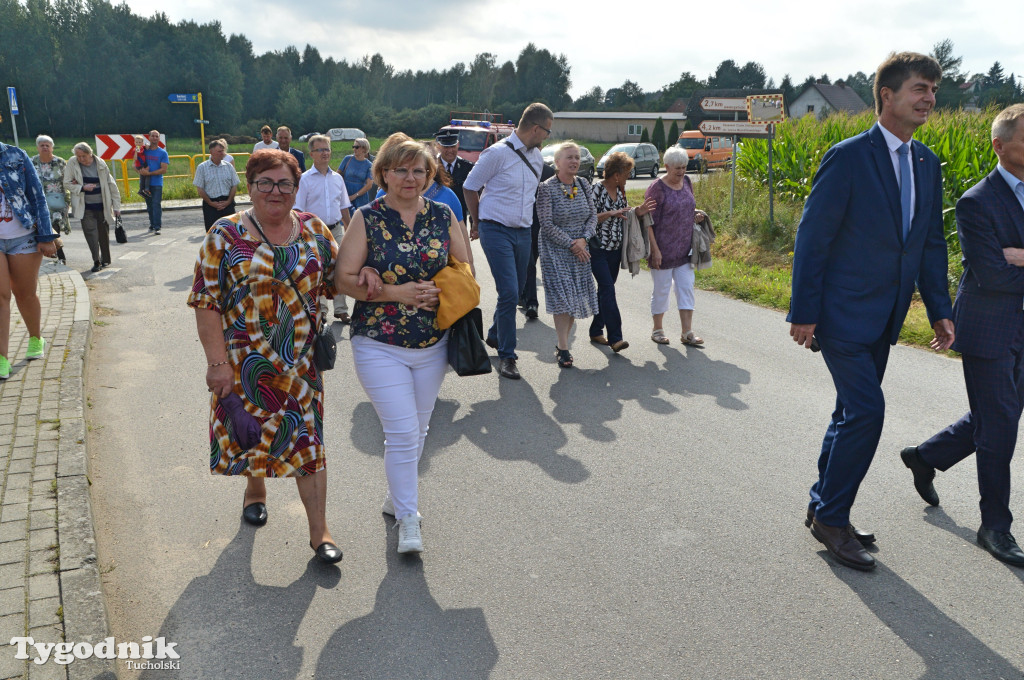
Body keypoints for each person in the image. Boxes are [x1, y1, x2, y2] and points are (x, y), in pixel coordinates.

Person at [788, 52, 955, 572]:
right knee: (866, 411)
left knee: (848, 413)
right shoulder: (850, 156)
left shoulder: (927, 163)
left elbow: (929, 245)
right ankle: (833, 519)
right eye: (920, 89)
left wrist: (939, 310)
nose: (929, 99)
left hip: (885, 317)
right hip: (839, 315)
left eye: (932, 91)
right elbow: (813, 238)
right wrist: (804, 311)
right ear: (888, 95)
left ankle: (822, 504)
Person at [187, 149, 347, 565]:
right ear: (250, 186)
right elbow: (206, 302)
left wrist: (369, 277)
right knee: (253, 433)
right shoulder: (224, 234)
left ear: (297, 188)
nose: (275, 192)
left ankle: (320, 532)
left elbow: (338, 277)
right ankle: (254, 490)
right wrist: (217, 363)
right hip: (243, 361)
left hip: (300, 363)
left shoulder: (313, 230)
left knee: (308, 442)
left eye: (285, 184)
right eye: (265, 183)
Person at [334, 133, 472, 555]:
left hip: (433, 342)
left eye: (419, 170)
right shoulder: (366, 217)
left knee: (421, 427)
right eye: (401, 170)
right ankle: (409, 521)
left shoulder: (444, 213)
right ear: (384, 174)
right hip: (379, 341)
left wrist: (440, 288)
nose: (410, 178)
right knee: (402, 431)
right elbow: (340, 280)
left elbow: (466, 269)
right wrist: (394, 292)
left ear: (430, 175)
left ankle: (397, 499)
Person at [900, 104, 1024, 568]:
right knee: (1001, 427)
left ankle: (925, 455)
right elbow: (992, 275)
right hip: (989, 329)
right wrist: (1007, 260)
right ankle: (995, 526)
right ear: (1000, 145)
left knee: (998, 414)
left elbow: (1009, 266)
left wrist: (1021, 256)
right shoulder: (977, 201)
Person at [463, 102, 552, 380]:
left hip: (523, 231)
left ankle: (493, 334)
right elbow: (469, 186)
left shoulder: (536, 158)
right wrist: (477, 222)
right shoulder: (496, 153)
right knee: (511, 293)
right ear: (536, 128)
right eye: (547, 131)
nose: (548, 136)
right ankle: (507, 356)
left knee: (515, 289)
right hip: (495, 229)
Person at [536, 141, 599, 368]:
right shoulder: (546, 188)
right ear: (557, 162)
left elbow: (593, 216)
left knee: (574, 298)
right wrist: (572, 243)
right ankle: (563, 347)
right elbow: (546, 224)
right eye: (569, 157)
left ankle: (563, 345)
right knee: (563, 298)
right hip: (556, 249)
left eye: (577, 157)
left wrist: (584, 240)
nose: (574, 161)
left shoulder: (583, 184)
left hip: (581, 250)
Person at [0, 141, 59, 380]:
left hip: (22, 236)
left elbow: (37, 196)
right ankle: (2, 358)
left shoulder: (15, 154)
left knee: (24, 293)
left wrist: (46, 236)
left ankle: (36, 338)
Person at [589, 151, 656, 352]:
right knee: (608, 289)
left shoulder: (620, 192)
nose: (628, 176)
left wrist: (638, 211)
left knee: (605, 291)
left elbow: (624, 213)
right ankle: (615, 337)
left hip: (615, 251)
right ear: (616, 174)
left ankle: (595, 330)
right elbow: (589, 218)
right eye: (627, 172)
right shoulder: (596, 190)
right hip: (597, 249)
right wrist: (610, 213)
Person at [645, 146, 708, 347]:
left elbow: (687, 207)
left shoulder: (687, 182)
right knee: (662, 290)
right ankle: (657, 330)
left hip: (685, 249)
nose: (681, 172)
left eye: (683, 167)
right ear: (666, 166)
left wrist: (695, 216)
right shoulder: (657, 188)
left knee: (686, 288)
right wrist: (654, 249)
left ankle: (687, 332)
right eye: (677, 168)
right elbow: (648, 221)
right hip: (662, 251)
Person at [294, 134, 352, 322]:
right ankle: (322, 310)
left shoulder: (338, 179)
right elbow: (297, 210)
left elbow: (344, 207)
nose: (325, 153)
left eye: (327, 149)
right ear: (311, 154)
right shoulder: (304, 179)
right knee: (317, 270)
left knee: (340, 268)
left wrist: (350, 230)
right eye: (320, 150)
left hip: (336, 229)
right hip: (313, 231)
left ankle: (341, 309)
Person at [64, 142, 122, 273]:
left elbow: (112, 185)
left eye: (84, 156)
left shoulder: (100, 163)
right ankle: (96, 261)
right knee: (91, 234)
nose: (81, 159)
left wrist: (117, 206)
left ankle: (105, 259)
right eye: (78, 156)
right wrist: (82, 187)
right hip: (85, 207)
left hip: (102, 205)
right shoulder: (72, 163)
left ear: (90, 154)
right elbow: (66, 183)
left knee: (103, 234)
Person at [518, 163, 555, 320]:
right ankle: (532, 303)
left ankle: (524, 295)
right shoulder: (515, 167)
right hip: (520, 224)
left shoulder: (548, 171)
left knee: (530, 262)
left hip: (541, 225)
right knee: (529, 263)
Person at [31, 135, 70, 265]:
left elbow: (69, 179)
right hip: (39, 202)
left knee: (55, 225)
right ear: (37, 147)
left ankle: (60, 254)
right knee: (48, 226)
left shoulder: (60, 162)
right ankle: (60, 254)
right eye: (42, 145)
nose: (45, 147)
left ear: (52, 147)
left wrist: (68, 199)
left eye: (47, 145)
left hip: (57, 201)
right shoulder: (32, 163)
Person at [193, 139, 238, 232]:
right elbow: (200, 188)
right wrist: (210, 202)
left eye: (223, 151)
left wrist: (229, 201)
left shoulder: (228, 166)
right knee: (213, 235)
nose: (222, 153)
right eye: (219, 151)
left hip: (227, 204)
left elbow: (234, 185)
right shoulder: (202, 167)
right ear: (211, 152)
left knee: (231, 234)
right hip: (211, 205)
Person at [435, 130, 473, 226]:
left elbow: (474, 195)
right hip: (435, 218)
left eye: (452, 146)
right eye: (446, 147)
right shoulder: (432, 167)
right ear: (438, 146)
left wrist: (474, 222)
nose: (450, 150)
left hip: (459, 218)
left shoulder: (467, 167)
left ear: (458, 145)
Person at [139, 129, 168, 234]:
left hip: (157, 183)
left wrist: (149, 174)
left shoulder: (163, 153)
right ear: (149, 137)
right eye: (153, 136)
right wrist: (139, 170)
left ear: (159, 138)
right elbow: (135, 159)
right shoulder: (144, 150)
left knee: (156, 204)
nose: (155, 138)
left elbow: (164, 169)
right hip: (145, 183)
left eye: (157, 136)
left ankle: (157, 226)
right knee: (149, 205)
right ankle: (152, 224)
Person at [338, 138, 374, 214]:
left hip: (361, 197)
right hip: (346, 193)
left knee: (360, 219)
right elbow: (338, 175)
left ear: (364, 149)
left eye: (357, 147)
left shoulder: (369, 165)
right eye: (353, 146)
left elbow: (369, 185)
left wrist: (355, 196)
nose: (354, 149)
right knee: (345, 219)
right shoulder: (347, 159)